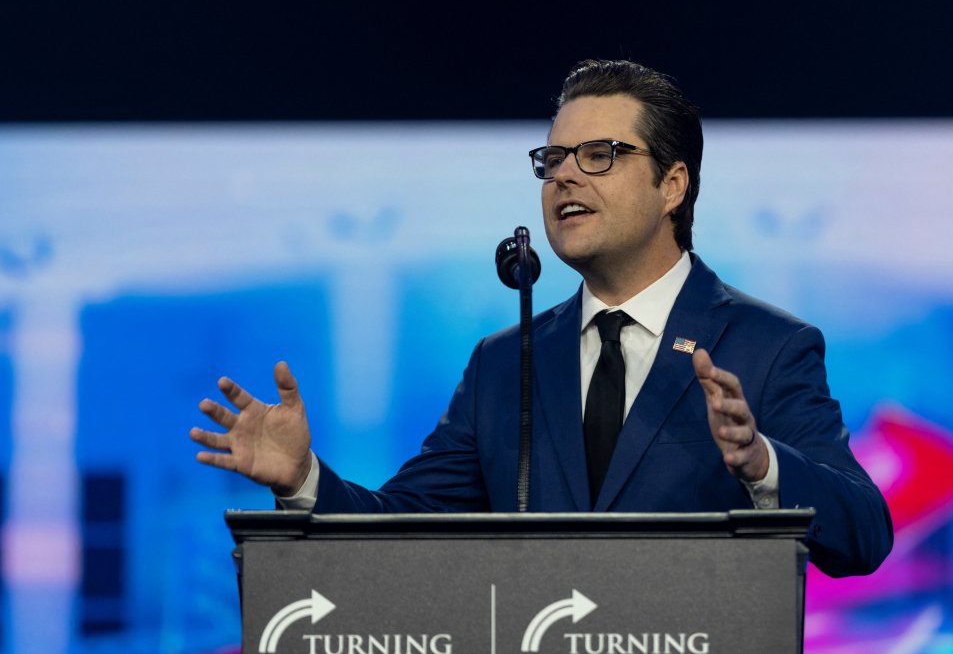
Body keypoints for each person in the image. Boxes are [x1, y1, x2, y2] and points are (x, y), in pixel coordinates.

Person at [190, 59, 892, 577]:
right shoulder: (504, 363)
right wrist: (304, 478)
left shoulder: (767, 346)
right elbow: (403, 528)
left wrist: (762, 462)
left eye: (599, 156)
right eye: (552, 159)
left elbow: (863, 532)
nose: (563, 177)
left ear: (672, 185)